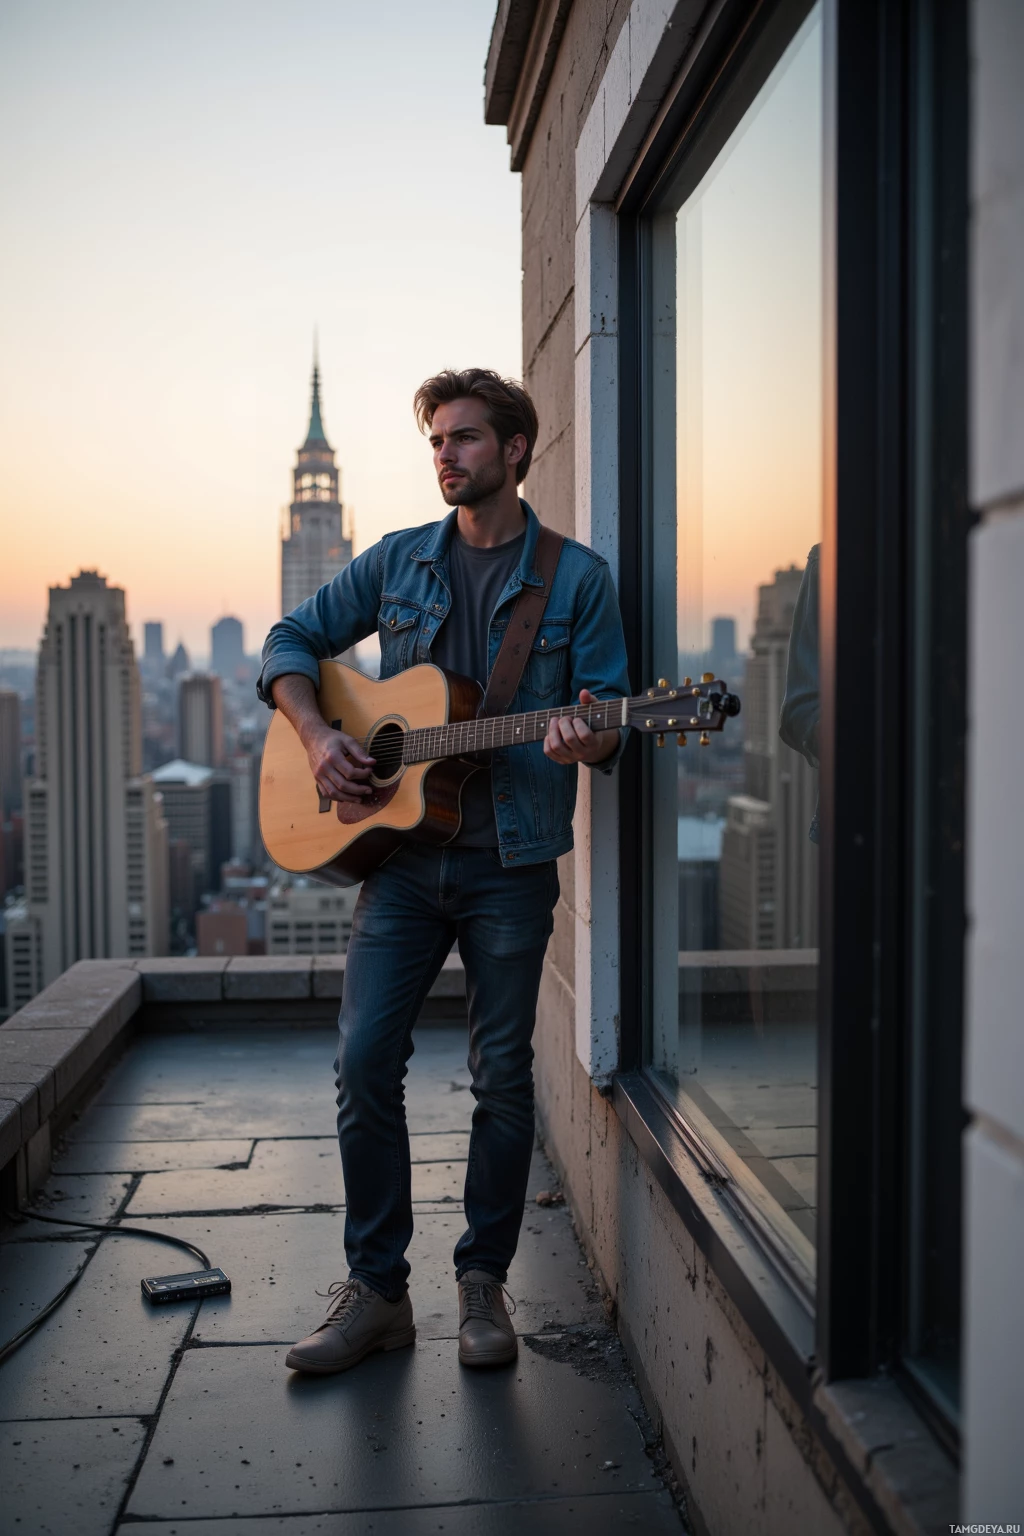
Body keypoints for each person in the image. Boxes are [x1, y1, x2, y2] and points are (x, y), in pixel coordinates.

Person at [258, 367, 630, 1374]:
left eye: (463, 438)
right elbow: (289, 643)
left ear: (515, 451)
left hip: (507, 864)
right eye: (435, 440)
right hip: (399, 863)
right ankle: (376, 1291)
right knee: (364, 1064)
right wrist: (319, 737)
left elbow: (612, 719)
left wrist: (585, 740)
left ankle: (483, 1286)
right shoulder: (395, 563)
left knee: (501, 1080)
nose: (444, 455)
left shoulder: (577, 578)